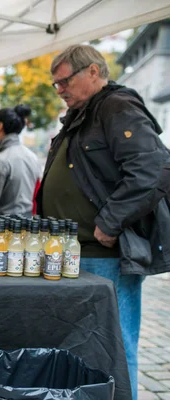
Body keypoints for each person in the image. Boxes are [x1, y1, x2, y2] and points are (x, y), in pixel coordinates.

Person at [36, 44, 170, 400]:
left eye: (65, 80)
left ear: (93, 72)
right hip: (76, 253)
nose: (60, 89)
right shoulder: (85, 112)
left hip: (104, 256)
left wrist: (110, 222)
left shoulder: (116, 106)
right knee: (83, 344)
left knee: (114, 345)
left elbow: (153, 170)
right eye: (56, 84)